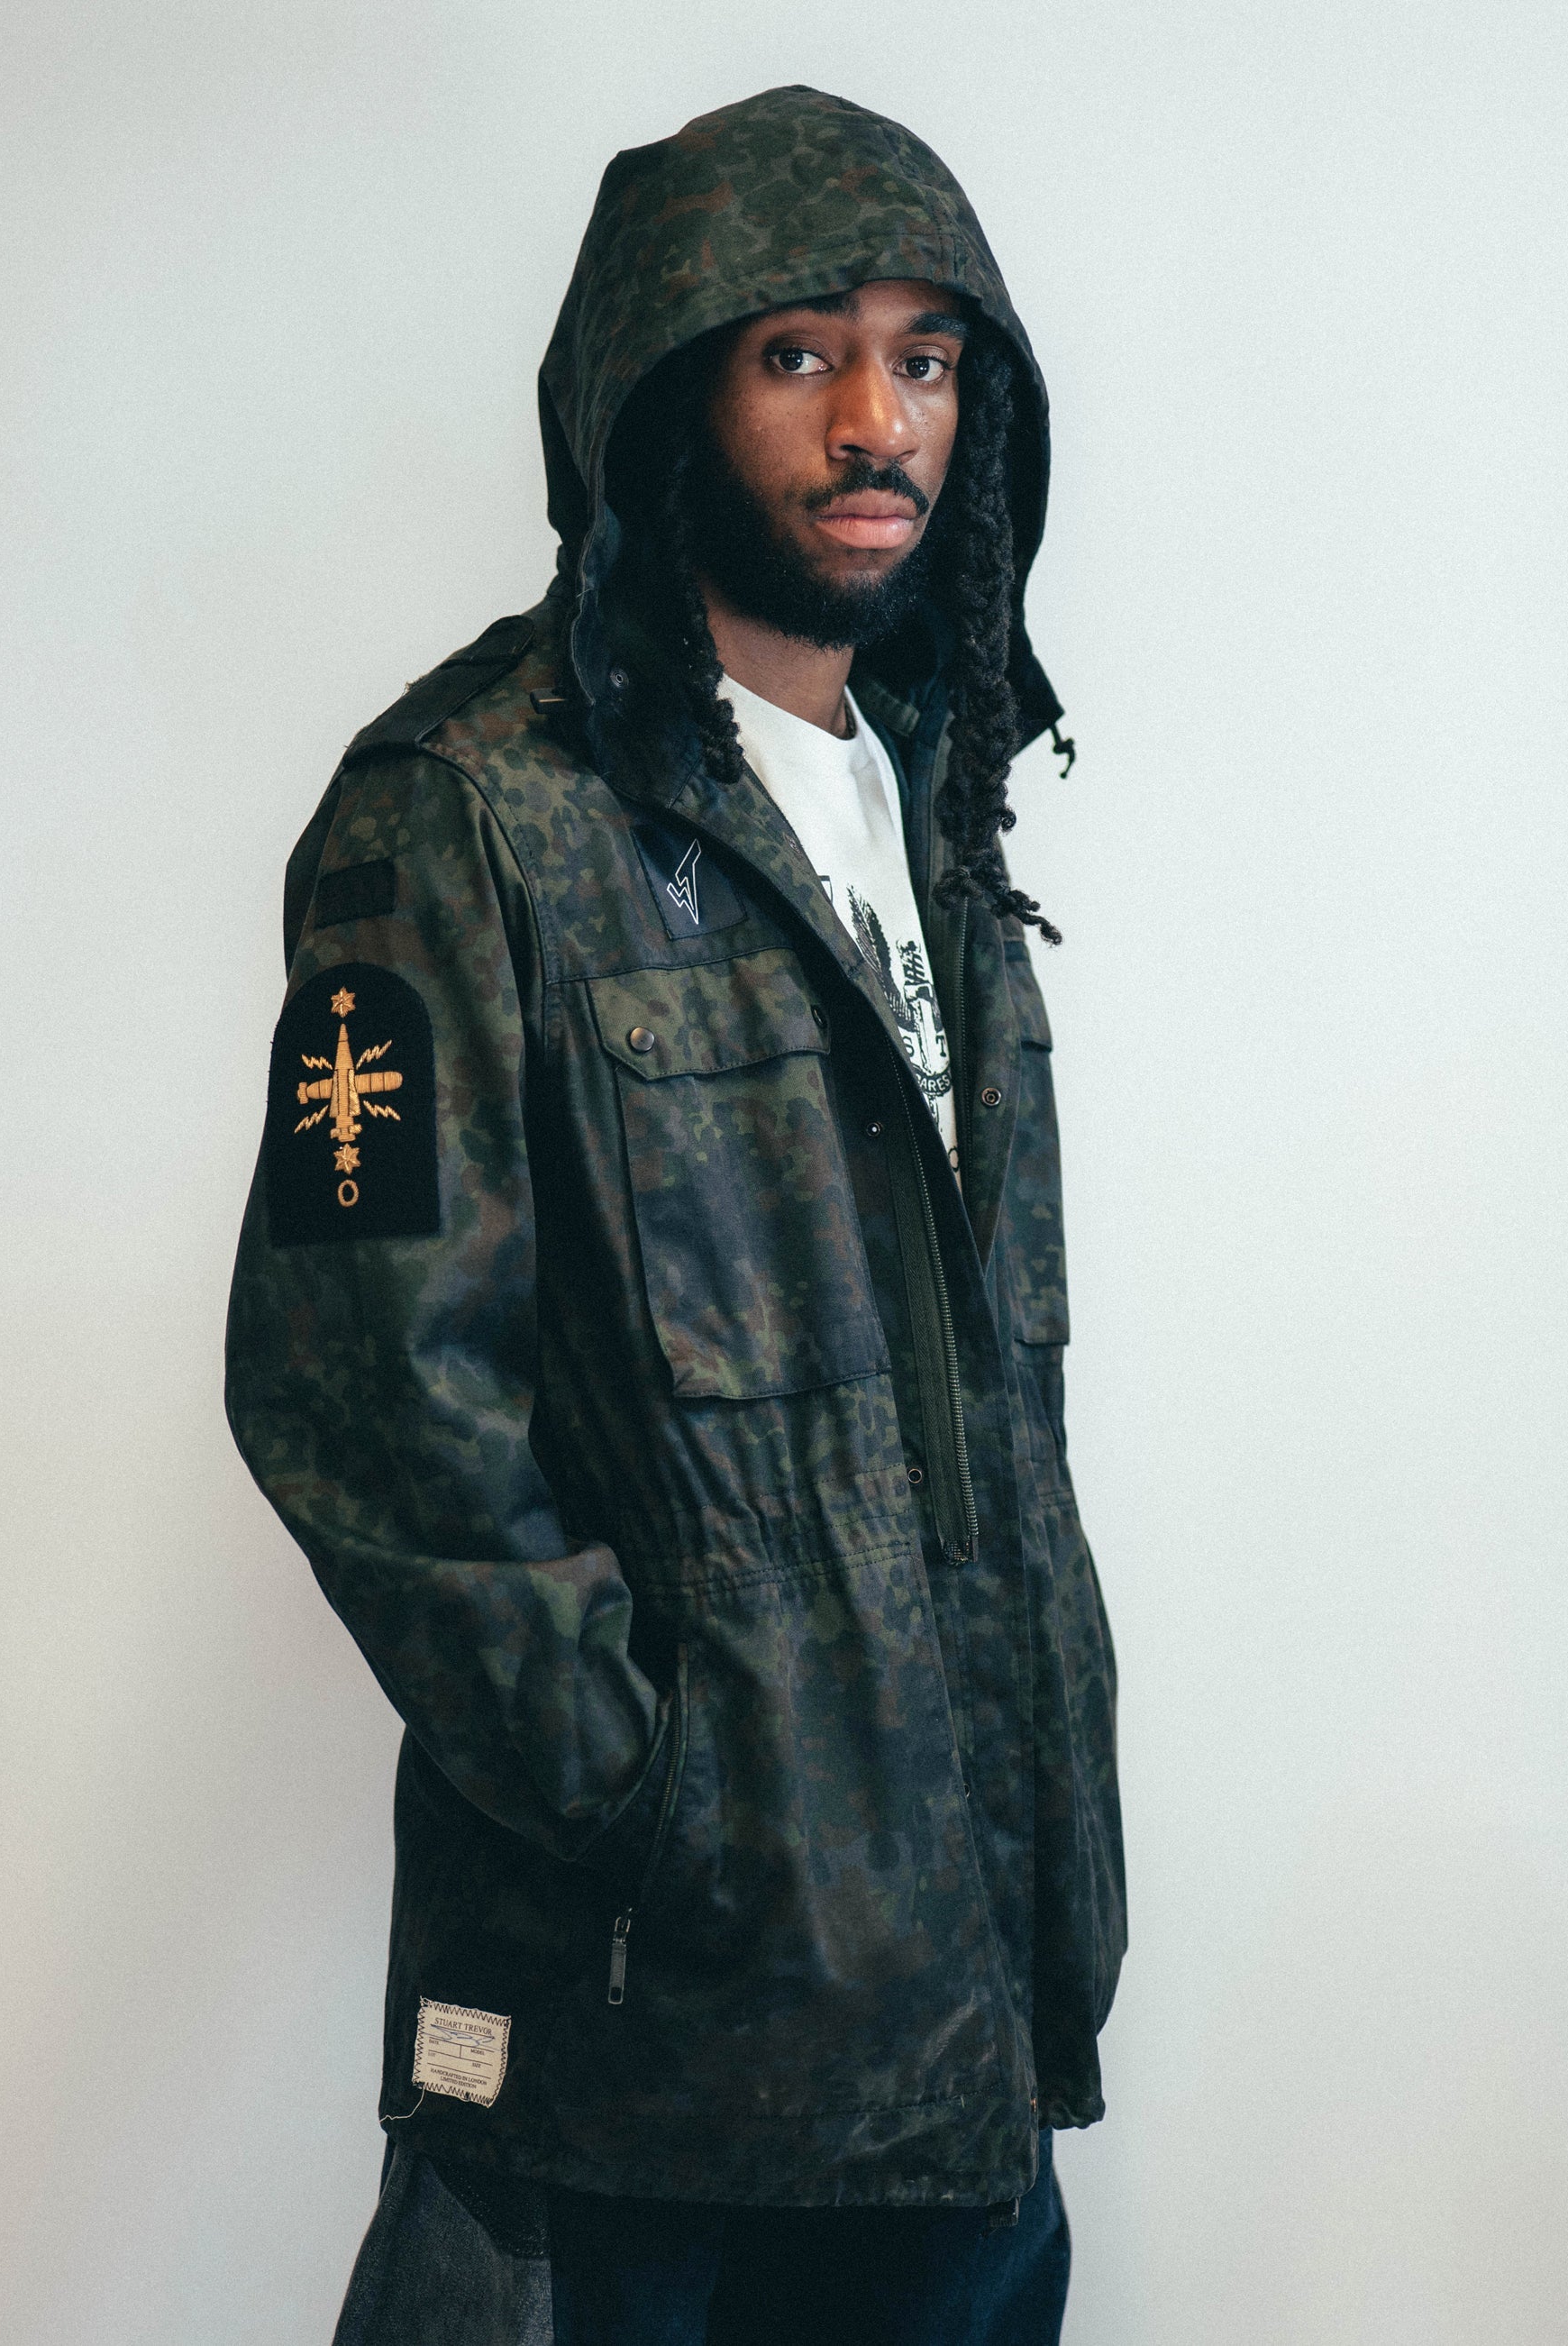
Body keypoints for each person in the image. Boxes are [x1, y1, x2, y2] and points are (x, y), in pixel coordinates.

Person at [225, 83, 1124, 2346]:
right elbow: (363, 1396)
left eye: (925, 358)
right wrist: (657, 1796)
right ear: (660, 393)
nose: (875, 420)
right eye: (797, 352)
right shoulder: (462, 815)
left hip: (962, 2039)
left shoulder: (933, 816)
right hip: (643, 2076)